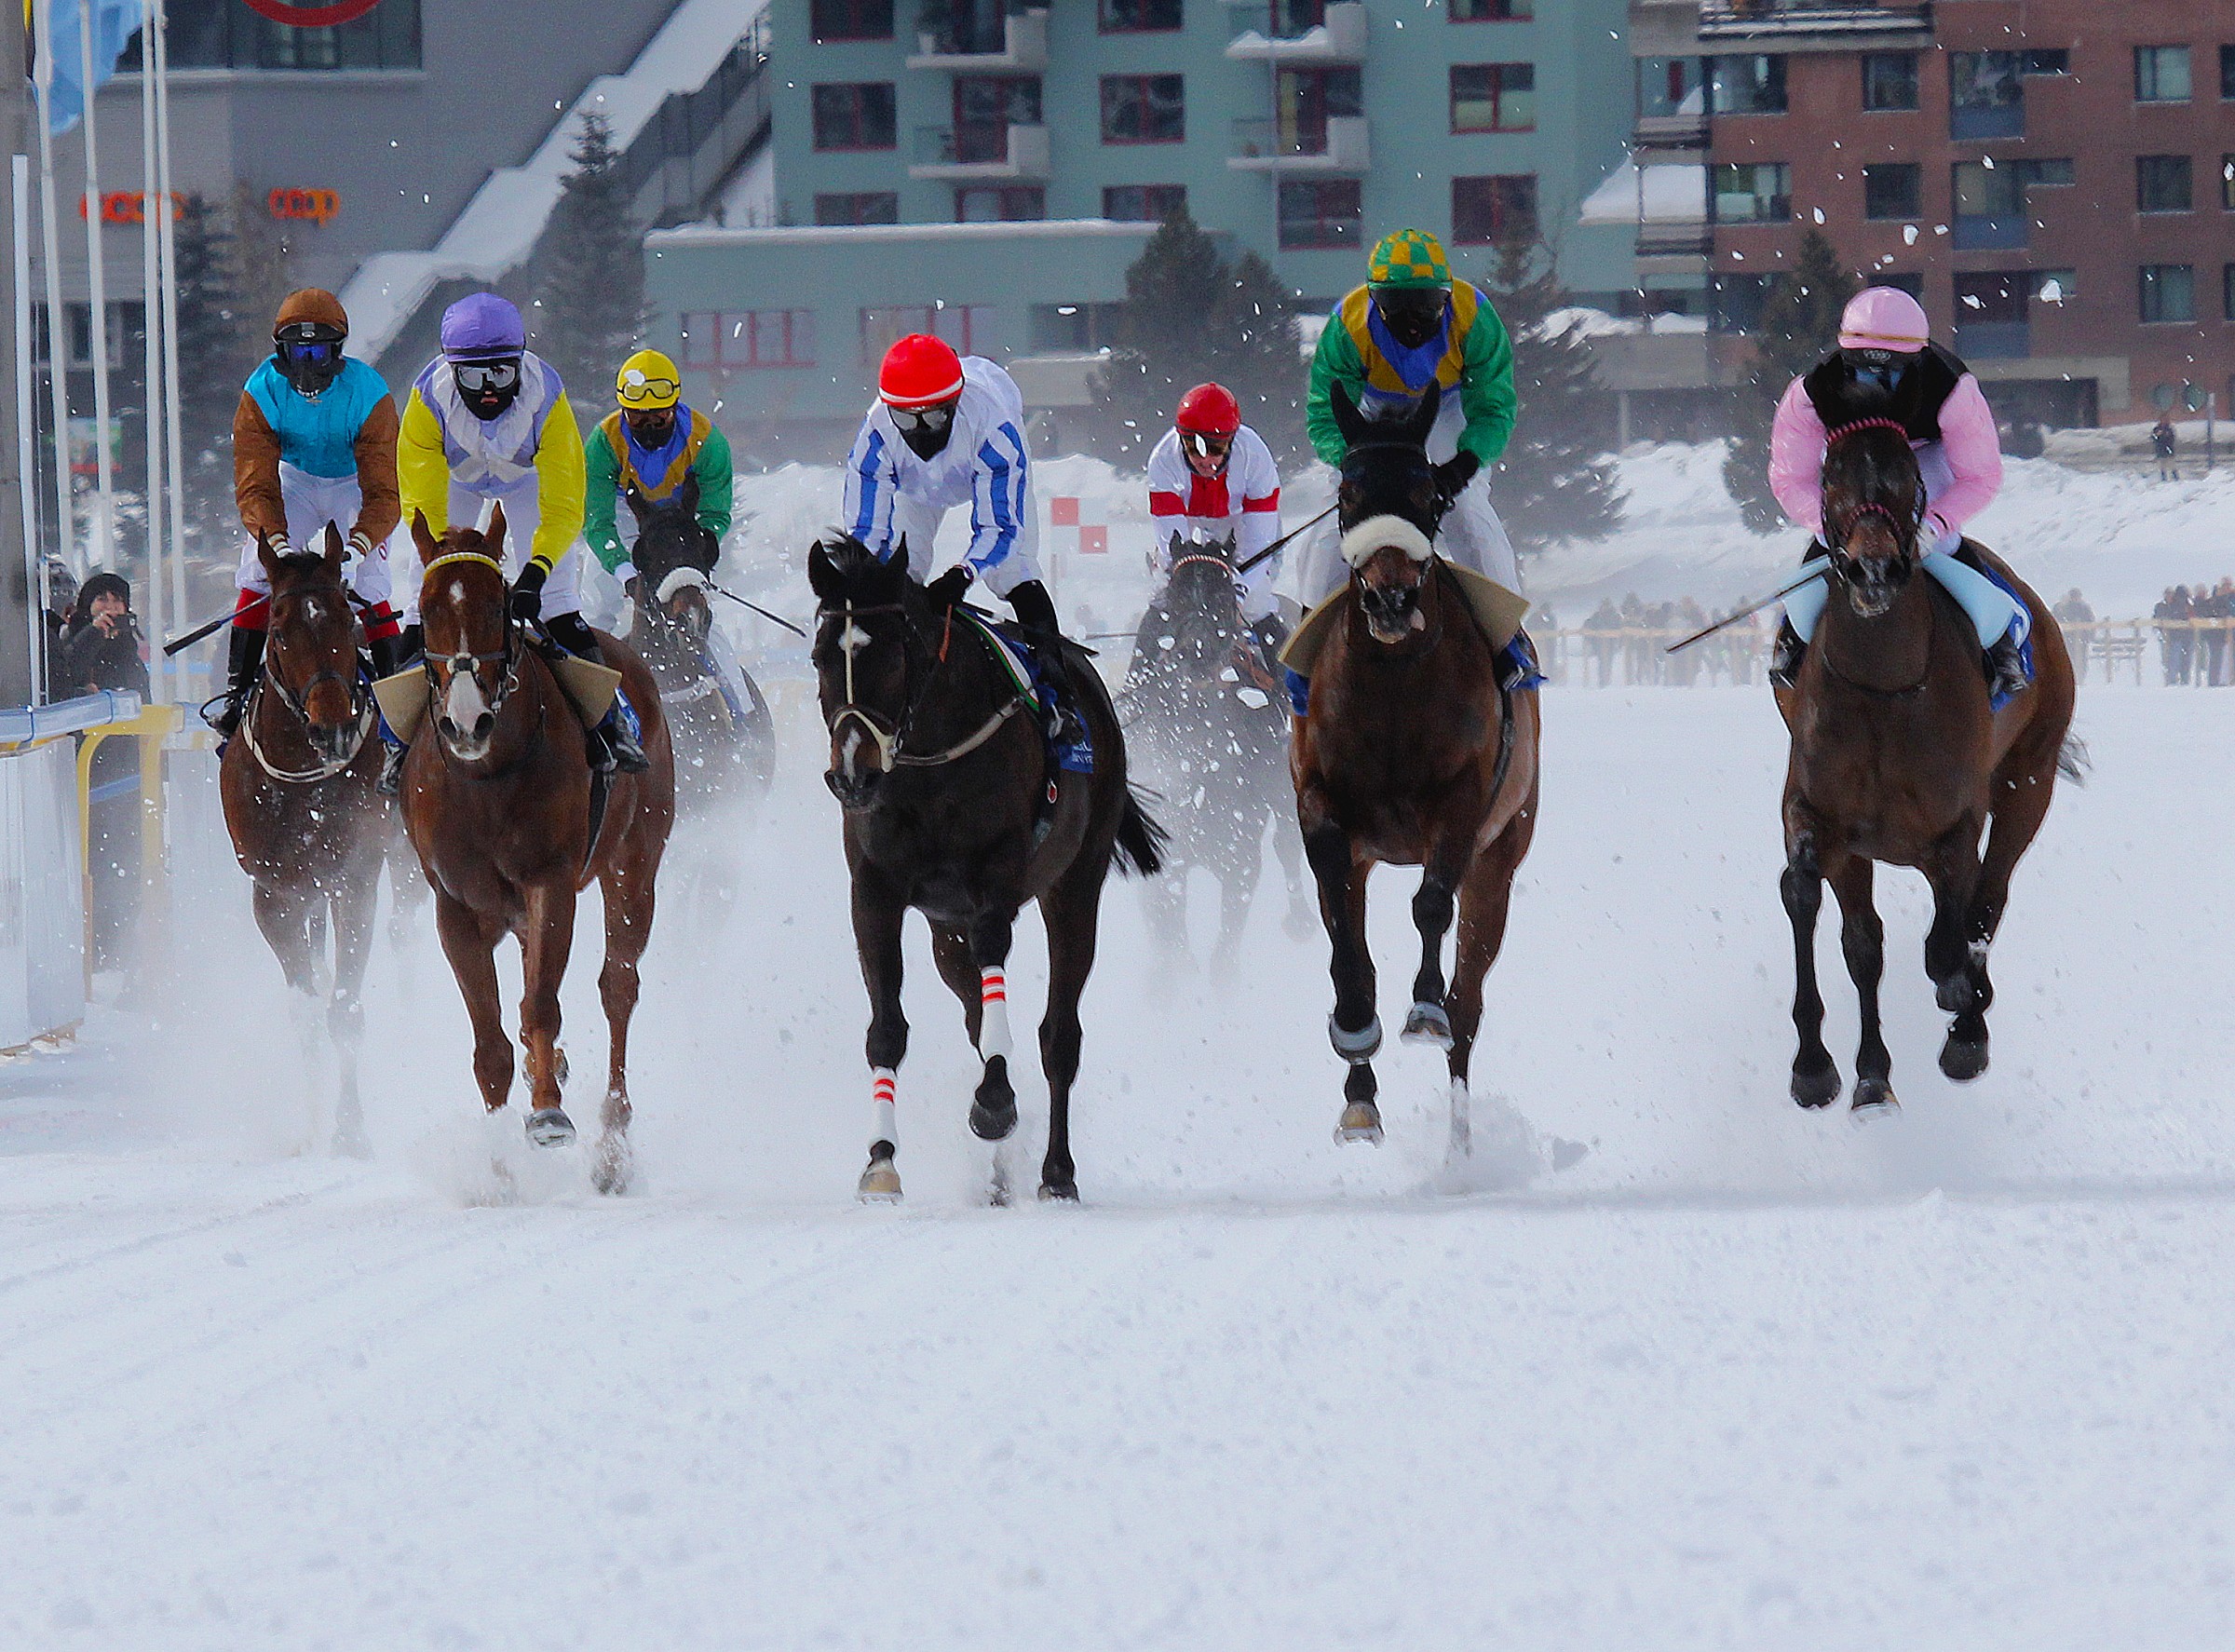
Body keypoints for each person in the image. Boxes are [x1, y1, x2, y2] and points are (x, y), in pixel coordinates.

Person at [392, 291, 647, 792]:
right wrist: (443, 565)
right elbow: (422, 507)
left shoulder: (547, 399)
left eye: (501, 375)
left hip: (528, 482)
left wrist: (534, 573)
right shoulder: (426, 402)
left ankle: (610, 728)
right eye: (472, 377)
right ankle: (394, 745)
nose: (488, 391)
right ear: (450, 370)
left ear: (521, 363)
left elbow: (565, 505)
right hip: (457, 481)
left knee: (558, 607)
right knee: (424, 609)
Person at [1768, 285, 2031, 707]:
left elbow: (1980, 476)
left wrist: (1935, 525)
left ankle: (1998, 643)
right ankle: (1793, 639)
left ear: (1919, 357)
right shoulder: (1811, 392)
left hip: (1922, 459)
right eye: (1865, 368)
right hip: (1851, 460)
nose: (1880, 383)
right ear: (1844, 354)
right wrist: (1830, 528)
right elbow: (1790, 478)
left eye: (1893, 369)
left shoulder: (1953, 387)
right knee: (1829, 541)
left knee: (1940, 546)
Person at [1301, 227, 1538, 689]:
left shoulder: (1476, 318)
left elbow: (1493, 407)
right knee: (1335, 519)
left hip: (1447, 407)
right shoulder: (1347, 325)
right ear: (1374, 301)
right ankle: (1307, 648)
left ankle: (1508, 639)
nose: (1414, 321)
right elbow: (1324, 416)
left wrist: (1465, 465)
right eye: (1398, 307)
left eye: (1428, 305)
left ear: (1448, 298)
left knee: (1467, 511)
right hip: (1371, 410)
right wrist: (1348, 461)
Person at [841, 332, 1089, 768]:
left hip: (983, 472)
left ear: (954, 404)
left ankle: (1059, 701)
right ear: (890, 411)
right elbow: (867, 532)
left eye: (934, 420)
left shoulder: (995, 427)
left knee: (1012, 573)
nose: (920, 433)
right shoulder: (876, 432)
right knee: (897, 574)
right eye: (907, 421)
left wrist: (962, 575)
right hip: (914, 489)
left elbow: (1000, 527)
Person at [208, 288, 405, 739]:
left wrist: (359, 545)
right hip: (294, 479)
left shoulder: (370, 392)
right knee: (257, 571)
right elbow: (256, 482)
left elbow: (383, 491)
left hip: (351, 482)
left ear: (337, 351)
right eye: (299, 349)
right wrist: (273, 539)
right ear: (282, 350)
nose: (309, 362)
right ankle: (237, 695)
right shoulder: (261, 390)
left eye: (318, 349)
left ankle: (395, 702)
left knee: (371, 580)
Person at [1145, 382, 1286, 663]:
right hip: (1189, 518)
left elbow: (1260, 546)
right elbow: (1175, 547)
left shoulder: (1255, 456)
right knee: (1164, 599)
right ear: (1181, 440)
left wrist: (1238, 592)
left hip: (1241, 521)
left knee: (1257, 603)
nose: (1205, 459)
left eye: (1215, 447)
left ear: (1232, 440)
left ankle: (1291, 694)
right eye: (1193, 448)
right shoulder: (1163, 460)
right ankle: (1137, 687)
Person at [2051, 587, 2095, 684]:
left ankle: (2080, 678)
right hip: (2068, 638)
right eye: (2074, 596)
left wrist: (2089, 634)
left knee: (2081, 658)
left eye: (2077, 596)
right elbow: (2056, 618)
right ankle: (2071, 679)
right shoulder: (2063, 607)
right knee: (2070, 658)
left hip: (2081, 638)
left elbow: (2090, 622)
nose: (2075, 598)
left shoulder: (2084, 608)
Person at [2153, 414, 2178, 482]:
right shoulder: (2157, 429)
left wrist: (2167, 436)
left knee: (2172, 465)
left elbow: (2172, 439)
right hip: (2161, 450)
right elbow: (2154, 438)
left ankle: (2175, 477)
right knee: (2162, 466)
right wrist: (2157, 435)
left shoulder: (2169, 429)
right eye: (2163, 420)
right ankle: (2163, 478)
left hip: (2168, 449)